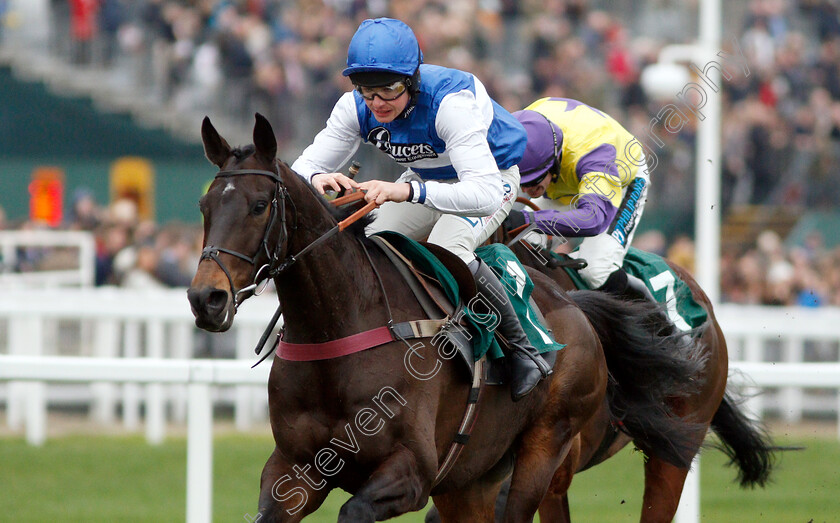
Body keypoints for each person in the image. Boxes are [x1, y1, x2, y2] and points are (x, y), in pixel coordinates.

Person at [291, 18, 551, 401]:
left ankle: (523, 349)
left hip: (490, 179)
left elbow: (480, 193)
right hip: (427, 178)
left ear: (411, 81)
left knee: (448, 248)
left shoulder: (451, 104)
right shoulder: (353, 107)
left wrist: (407, 191)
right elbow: (302, 167)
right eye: (366, 91)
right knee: (371, 244)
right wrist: (316, 178)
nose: (377, 102)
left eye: (389, 90)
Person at [505, 97, 655, 305]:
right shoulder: (518, 130)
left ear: (554, 161)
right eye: (523, 181)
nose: (527, 190)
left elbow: (593, 219)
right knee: (523, 247)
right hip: (568, 179)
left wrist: (528, 219)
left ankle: (661, 325)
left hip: (620, 179)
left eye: (534, 181)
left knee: (597, 270)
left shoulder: (594, 155)